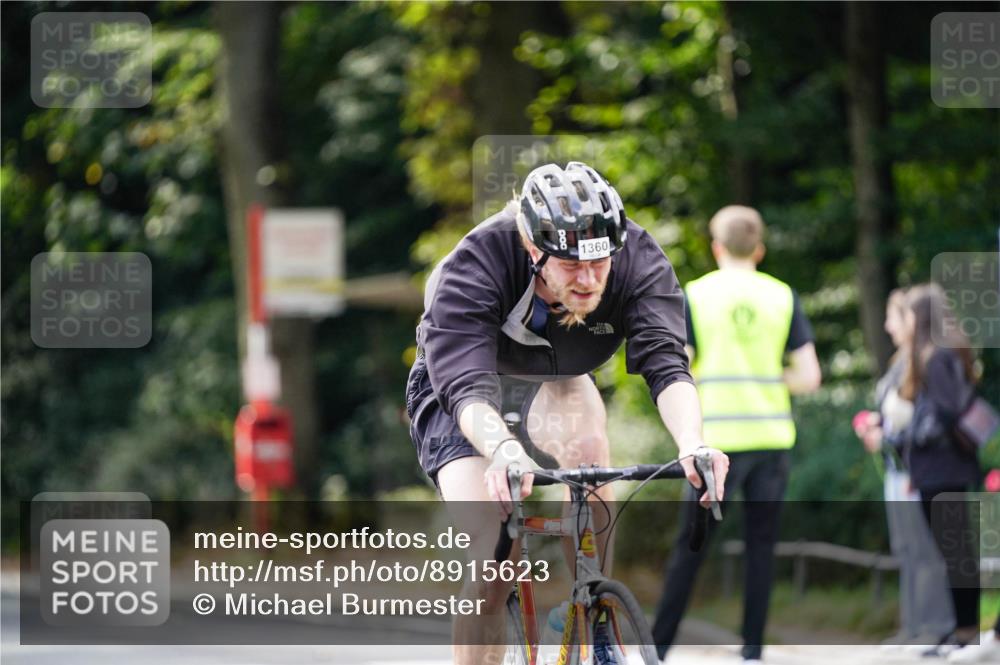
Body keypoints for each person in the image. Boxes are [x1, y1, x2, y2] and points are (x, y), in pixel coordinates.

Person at [405, 161, 730, 665]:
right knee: (495, 558)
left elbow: (668, 365)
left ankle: (591, 610)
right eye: (571, 265)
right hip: (462, 393)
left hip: (556, 379)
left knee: (592, 457)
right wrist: (504, 449)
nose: (588, 279)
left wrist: (692, 442)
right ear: (533, 249)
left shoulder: (637, 259)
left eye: (599, 265)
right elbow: (466, 389)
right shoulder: (476, 263)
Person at [651, 205, 821, 664]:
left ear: (716, 247)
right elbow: (809, 376)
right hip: (771, 439)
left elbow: (676, 367)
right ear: (760, 249)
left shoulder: (697, 295)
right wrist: (767, 379)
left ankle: (657, 648)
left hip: (715, 444)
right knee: (762, 549)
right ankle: (752, 650)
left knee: (691, 548)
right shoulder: (782, 296)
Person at [873, 284, 982, 657]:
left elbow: (947, 411)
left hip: (943, 467)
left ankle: (966, 631)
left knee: (956, 554)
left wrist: (913, 435)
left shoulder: (939, 357)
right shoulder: (935, 355)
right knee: (950, 553)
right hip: (937, 468)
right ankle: (959, 629)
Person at [853, 288, 955, 649]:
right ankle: (913, 626)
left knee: (925, 549)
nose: (888, 325)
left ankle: (934, 626)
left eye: (895, 317)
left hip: (916, 467)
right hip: (898, 468)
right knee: (907, 548)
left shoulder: (930, 360)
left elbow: (932, 418)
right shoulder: (903, 360)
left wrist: (891, 437)